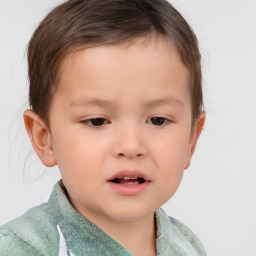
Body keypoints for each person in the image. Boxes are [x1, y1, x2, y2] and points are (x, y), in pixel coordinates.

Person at [0, 0, 207, 255]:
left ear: (191, 138)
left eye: (158, 120)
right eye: (97, 121)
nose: (131, 146)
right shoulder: (22, 249)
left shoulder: (187, 246)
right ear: (45, 138)